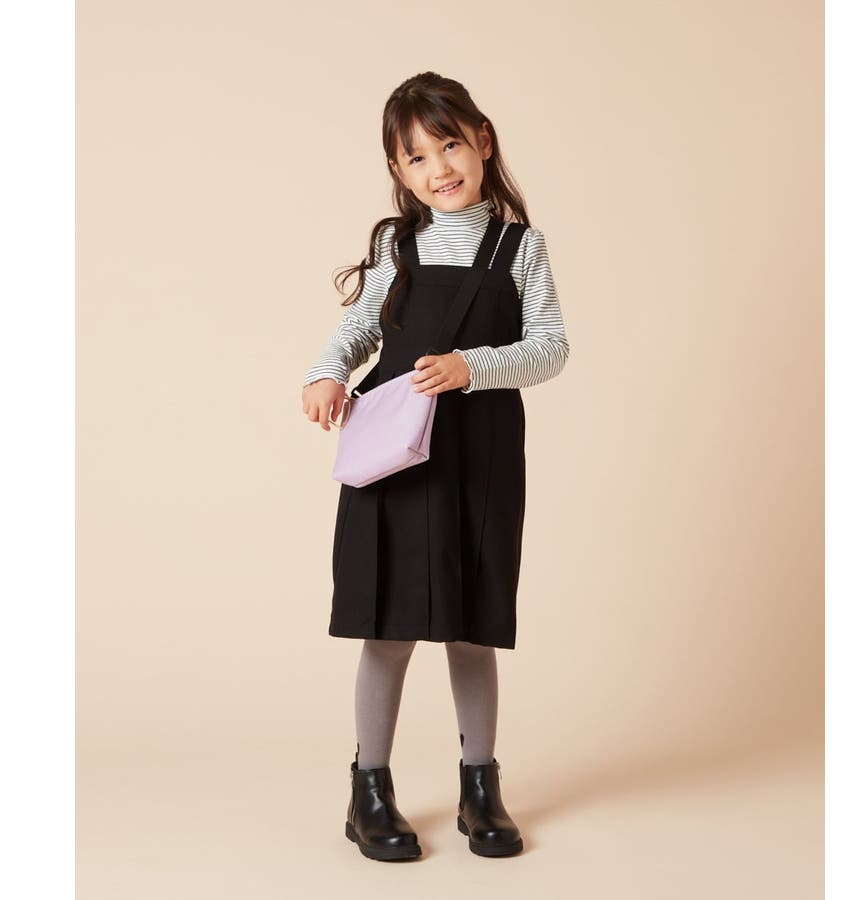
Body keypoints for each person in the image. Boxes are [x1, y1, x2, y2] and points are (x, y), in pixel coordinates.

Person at [301, 71, 570, 861]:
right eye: (415, 157)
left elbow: (550, 349)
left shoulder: (522, 247)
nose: (438, 168)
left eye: (449, 145)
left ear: (482, 141)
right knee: (387, 626)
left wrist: (471, 367)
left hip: (479, 456)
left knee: (472, 625)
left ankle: (480, 789)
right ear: (398, 170)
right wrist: (326, 373)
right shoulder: (395, 245)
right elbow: (359, 328)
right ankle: (369, 791)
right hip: (395, 458)